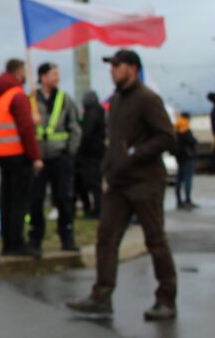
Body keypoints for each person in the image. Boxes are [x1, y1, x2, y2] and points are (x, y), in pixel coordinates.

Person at [67, 50, 177, 321]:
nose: (112, 70)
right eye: (112, 66)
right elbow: (114, 142)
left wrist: (135, 154)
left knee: (155, 240)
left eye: (117, 65)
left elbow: (167, 136)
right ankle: (101, 297)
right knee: (106, 238)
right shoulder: (116, 101)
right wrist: (108, 170)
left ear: (132, 68)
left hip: (145, 182)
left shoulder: (147, 99)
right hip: (118, 183)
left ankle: (166, 298)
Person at [0, 58, 43, 256]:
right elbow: (26, 129)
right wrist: (35, 157)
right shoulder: (18, 96)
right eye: (24, 71)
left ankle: (8, 242)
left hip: (2, 156)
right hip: (19, 155)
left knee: (7, 200)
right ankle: (17, 243)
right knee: (20, 201)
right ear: (19, 71)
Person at [29, 63, 81, 253]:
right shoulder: (31, 100)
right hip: (38, 159)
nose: (57, 77)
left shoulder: (65, 99)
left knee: (64, 197)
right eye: (53, 74)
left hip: (61, 157)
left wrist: (70, 152)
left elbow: (75, 126)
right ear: (42, 77)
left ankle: (67, 236)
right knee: (36, 199)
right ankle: (35, 238)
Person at [76, 90, 106, 218]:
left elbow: (86, 134)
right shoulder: (98, 112)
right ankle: (96, 208)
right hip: (95, 153)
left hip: (91, 154)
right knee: (93, 183)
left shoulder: (92, 114)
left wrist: (80, 148)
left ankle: (97, 210)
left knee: (93, 183)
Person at [173, 112, 198, 209]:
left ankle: (178, 201)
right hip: (188, 157)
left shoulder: (175, 127)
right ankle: (187, 200)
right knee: (188, 179)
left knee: (179, 179)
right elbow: (191, 141)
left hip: (179, 157)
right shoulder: (185, 128)